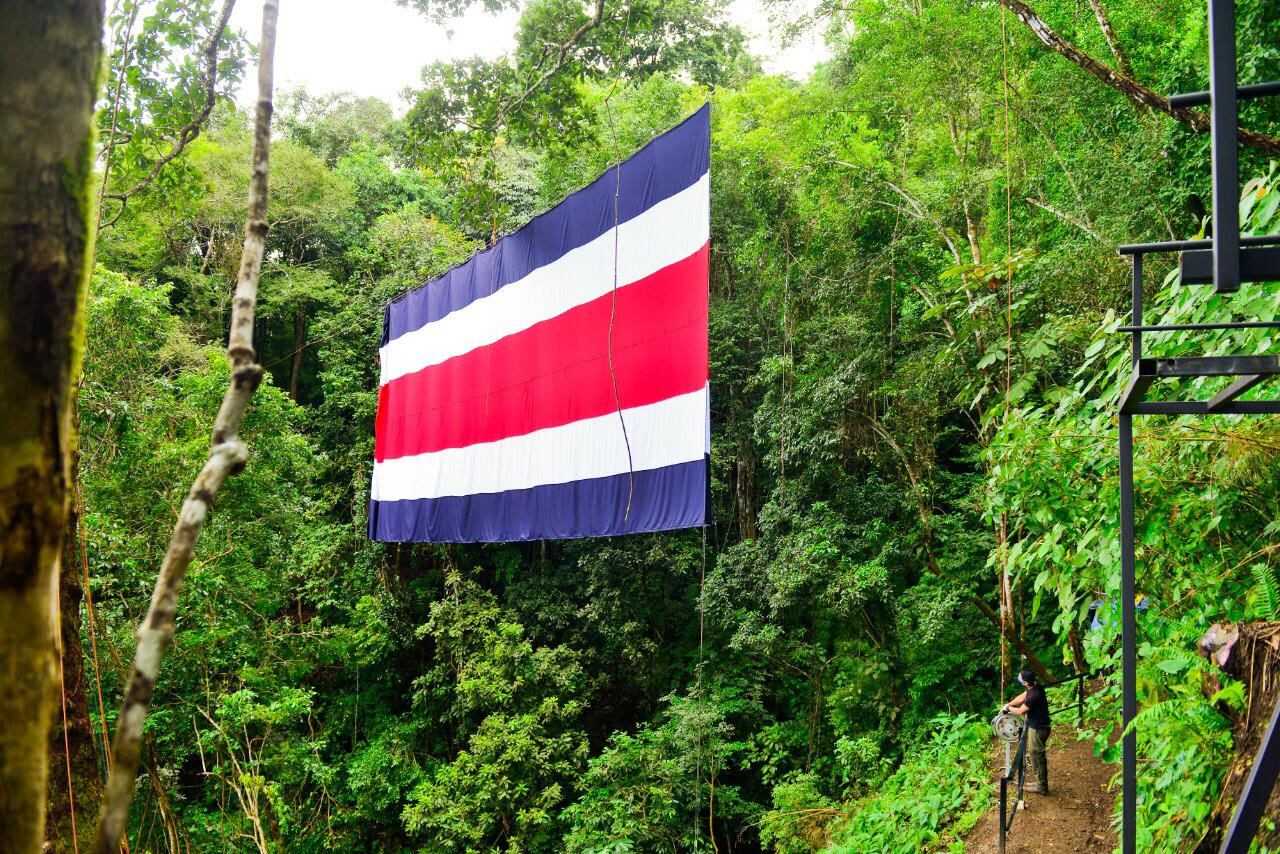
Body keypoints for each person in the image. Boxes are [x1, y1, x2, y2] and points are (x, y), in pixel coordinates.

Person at [1003, 667, 1051, 794]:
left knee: (1037, 756)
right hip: (1037, 726)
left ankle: (1041, 786)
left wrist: (1008, 708)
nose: (1019, 678)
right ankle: (1039, 782)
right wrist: (1009, 704)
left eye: (1020, 678)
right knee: (1035, 754)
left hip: (1039, 728)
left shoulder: (1034, 695)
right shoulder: (1035, 686)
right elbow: (1022, 696)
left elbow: (1019, 711)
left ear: (1025, 682)